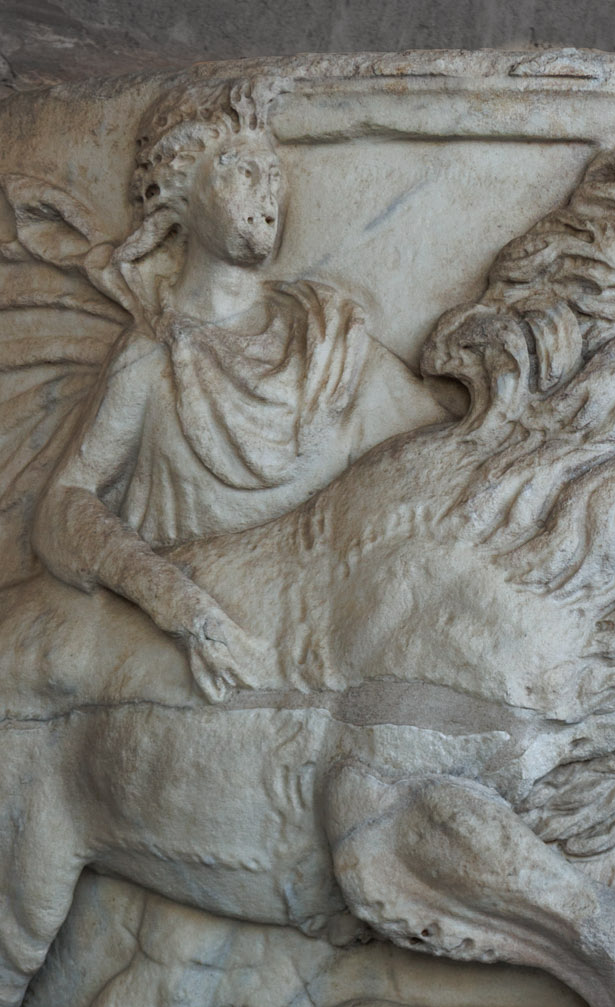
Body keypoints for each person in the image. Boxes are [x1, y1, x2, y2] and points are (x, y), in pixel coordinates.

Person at [31, 76, 448, 700]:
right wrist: (169, 597)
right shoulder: (151, 356)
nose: (267, 196)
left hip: (336, 638)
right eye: (240, 171)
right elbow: (64, 503)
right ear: (180, 192)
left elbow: (438, 445)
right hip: (194, 659)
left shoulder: (326, 335)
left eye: (272, 176)